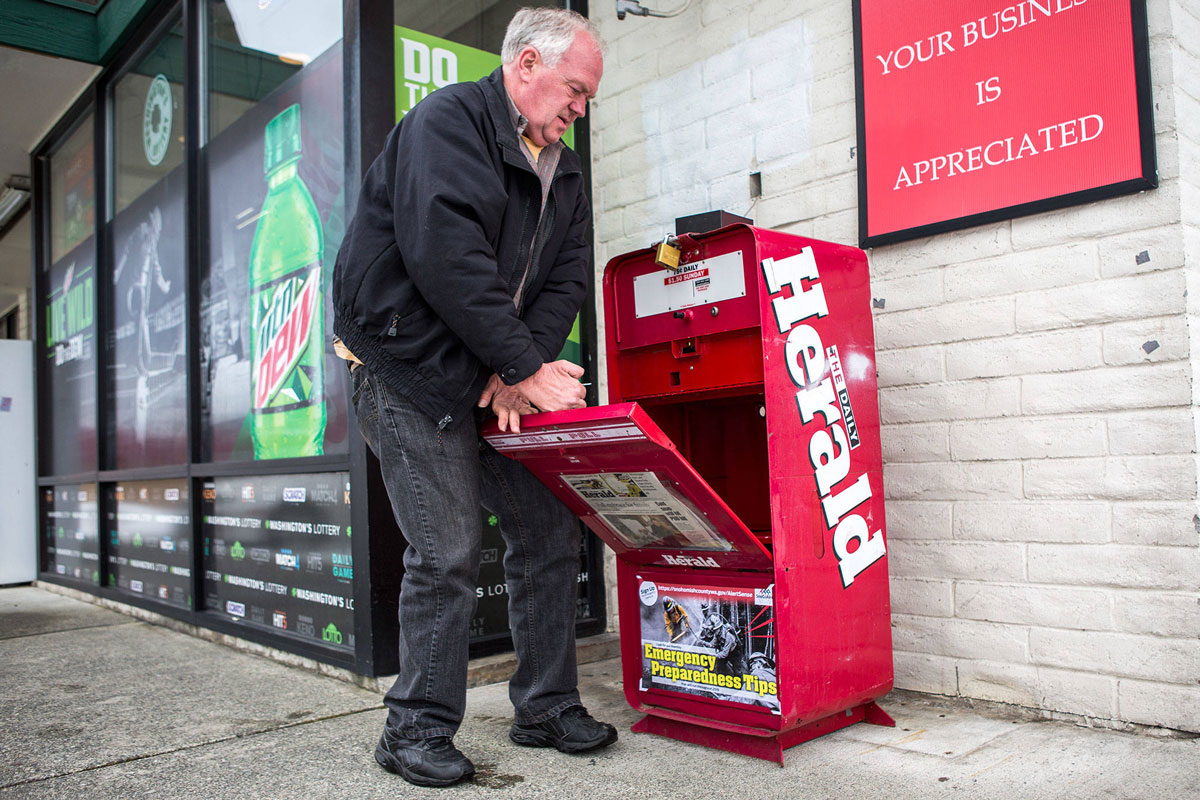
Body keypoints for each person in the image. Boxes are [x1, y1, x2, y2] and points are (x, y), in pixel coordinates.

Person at [330, 8, 612, 789]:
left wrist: (513, 369)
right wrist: (519, 364)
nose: (578, 112)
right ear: (527, 65)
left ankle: (546, 705)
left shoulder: (568, 170)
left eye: (587, 101)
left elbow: (566, 279)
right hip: (406, 369)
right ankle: (413, 728)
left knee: (547, 529)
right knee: (448, 550)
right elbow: (443, 257)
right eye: (575, 92)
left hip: (487, 375)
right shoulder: (447, 123)